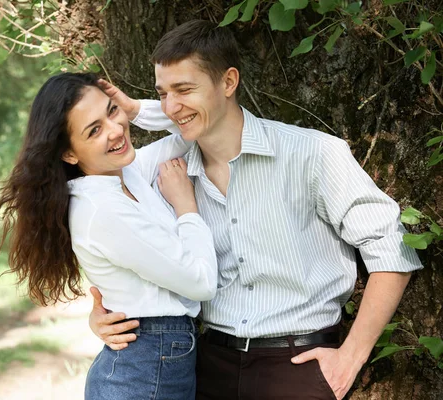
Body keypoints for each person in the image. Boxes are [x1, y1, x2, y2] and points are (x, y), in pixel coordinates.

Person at [88, 20, 423, 400]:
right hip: (204, 368)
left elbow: (390, 245)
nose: (170, 106)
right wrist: (102, 315)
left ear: (228, 82)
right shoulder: (167, 178)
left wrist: (351, 356)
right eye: (163, 93)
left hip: (299, 368)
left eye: (183, 89)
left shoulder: (312, 154)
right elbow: (135, 260)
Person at [0, 72, 218, 399]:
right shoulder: (102, 210)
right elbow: (202, 283)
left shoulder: (126, 173)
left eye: (111, 111)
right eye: (94, 130)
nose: (114, 130)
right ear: (69, 153)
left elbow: (188, 130)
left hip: (154, 360)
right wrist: (186, 207)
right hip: (145, 369)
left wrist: (135, 110)